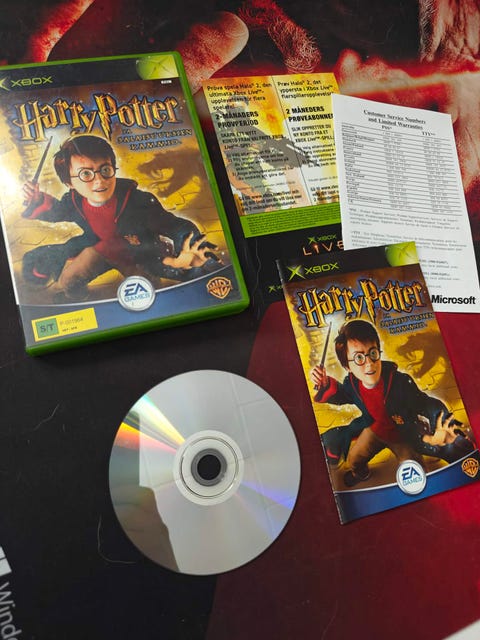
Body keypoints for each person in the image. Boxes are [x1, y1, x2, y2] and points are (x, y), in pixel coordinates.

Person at [21, 135, 219, 300]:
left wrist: (188, 247)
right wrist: (37, 200)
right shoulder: (74, 200)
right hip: (100, 249)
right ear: (69, 183)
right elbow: (57, 212)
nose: (99, 180)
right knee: (68, 281)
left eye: (105, 170)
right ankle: (79, 300)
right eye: (86, 174)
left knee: (150, 293)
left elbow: (175, 226)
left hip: (136, 255)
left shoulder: (138, 201)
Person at [310, 319, 473, 487]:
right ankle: (361, 474)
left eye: (373, 353)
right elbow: (342, 395)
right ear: (347, 367)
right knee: (354, 459)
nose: (369, 363)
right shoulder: (351, 383)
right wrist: (325, 384)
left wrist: (441, 422)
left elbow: (426, 403)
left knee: (417, 473)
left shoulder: (400, 382)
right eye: (359, 357)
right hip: (375, 431)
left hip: (403, 436)